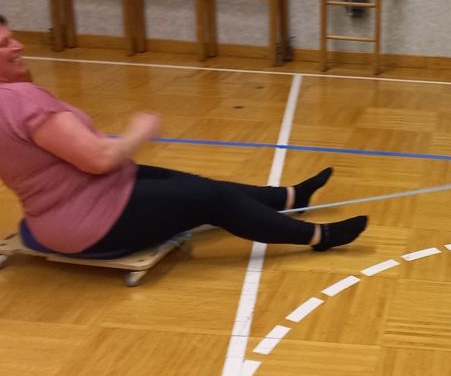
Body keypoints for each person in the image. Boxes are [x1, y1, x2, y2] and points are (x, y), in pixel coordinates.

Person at [0, 14, 367, 258]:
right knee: (209, 198)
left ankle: (289, 197)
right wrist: (136, 133)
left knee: (192, 183)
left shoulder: (11, 100)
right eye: (5, 45)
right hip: (92, 225)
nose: (18, 47)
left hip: (71, 212)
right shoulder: (22, 101)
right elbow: (96, 160)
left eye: (12, 39)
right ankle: (318, 237)